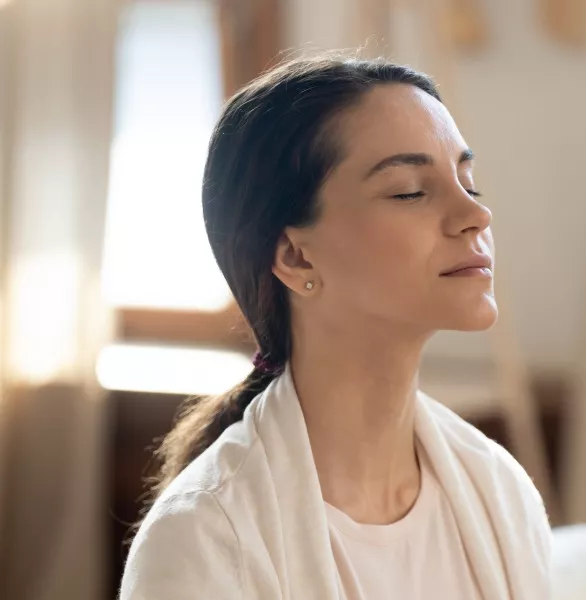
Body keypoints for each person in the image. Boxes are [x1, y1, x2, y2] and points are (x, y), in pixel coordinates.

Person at [120, 55, 551, 600]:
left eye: (468, 182)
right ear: (296, 257)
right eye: (410, 191)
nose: (475, 215)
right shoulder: (203, 540)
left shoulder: (498, 490)